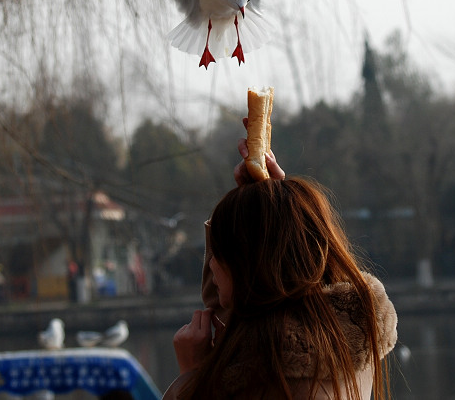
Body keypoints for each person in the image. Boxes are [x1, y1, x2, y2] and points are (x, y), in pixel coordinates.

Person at [163, 122, 397, 399]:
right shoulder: (351, 331)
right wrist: (266, 206)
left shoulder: (262, 380)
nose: (211, 263)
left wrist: (192, 376)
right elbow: (232, 302)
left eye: (221, 254)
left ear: (246, 266)